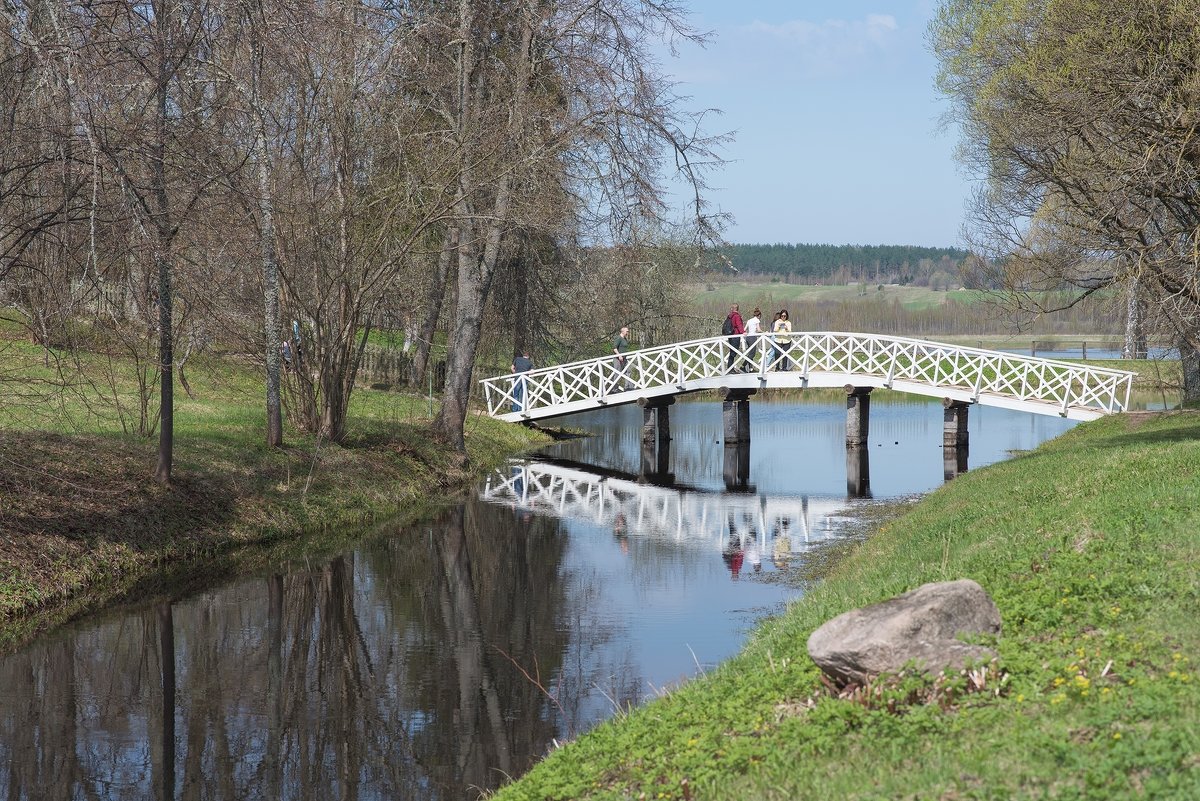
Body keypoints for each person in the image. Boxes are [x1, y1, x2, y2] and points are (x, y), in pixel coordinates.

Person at [722, 304, 745, 372]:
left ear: (732, 308)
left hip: (730, 335)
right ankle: (730, 368)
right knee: (733, 352)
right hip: (735, 335)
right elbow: (738, 325)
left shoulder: (730, 316)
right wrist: (743, 332)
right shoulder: (736, 316)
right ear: (738, 308)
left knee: (732, 352)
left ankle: (730, 368)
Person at [612, 325, 632, 391]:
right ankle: (615, 389)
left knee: (628, 371)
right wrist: (619, 355)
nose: (628, 332)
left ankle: (627, 387)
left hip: (624, 359)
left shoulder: (625, 339)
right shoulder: (618, 338)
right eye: (627, 331)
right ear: (622, 331)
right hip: (617, 359)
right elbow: (614, 348)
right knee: (617, 373)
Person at [744, 307, 762, 372]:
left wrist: (745, 333)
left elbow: (744, 329)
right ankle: (743, 366)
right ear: (759, 315)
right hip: (753, 337)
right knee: (752, 354)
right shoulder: (757, 320)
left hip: (748, 338)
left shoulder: (749, 320)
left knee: (750, 353)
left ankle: (750, 368)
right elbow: (759, 329)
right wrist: (764, 332)